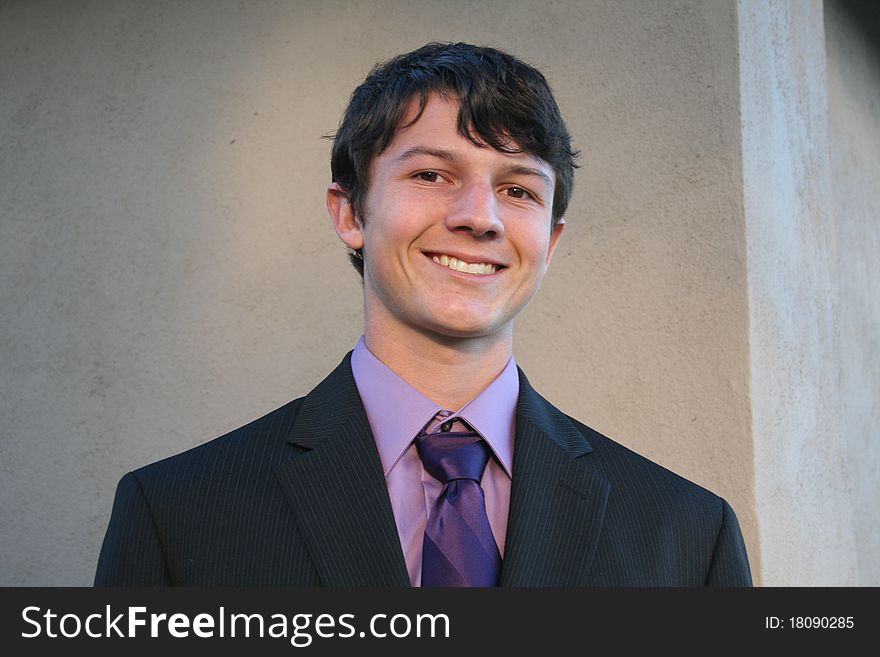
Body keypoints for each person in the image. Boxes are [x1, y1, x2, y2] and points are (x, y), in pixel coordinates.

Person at [95, 42, 752, 587]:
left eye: (518, 188)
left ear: (549, 243)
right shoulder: (177, 515)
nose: (478, 216)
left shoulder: (688, 535)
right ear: (350, 212)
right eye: (432, 175)